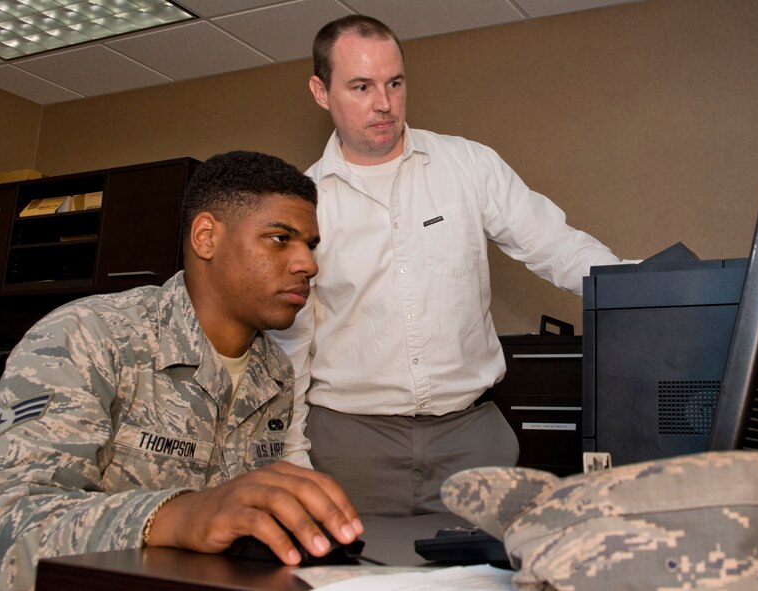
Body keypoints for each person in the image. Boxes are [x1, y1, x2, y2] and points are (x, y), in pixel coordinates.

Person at [271, 15, 638, 517]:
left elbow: (557, 246)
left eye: (394, 83)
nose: (384, 103)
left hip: (472, 438)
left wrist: (646, 289)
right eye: (361, 86)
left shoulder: (468, 164)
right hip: (350, 444)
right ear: (321, 90)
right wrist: (293, 456)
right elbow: (290, 343)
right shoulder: (302, 202)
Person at [0, 151, 363, 590]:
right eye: (279, 238)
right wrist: (174, 516)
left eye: (309, 245)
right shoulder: (88, 337)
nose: (307, 264)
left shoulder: (275, 373)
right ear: (206, 237)